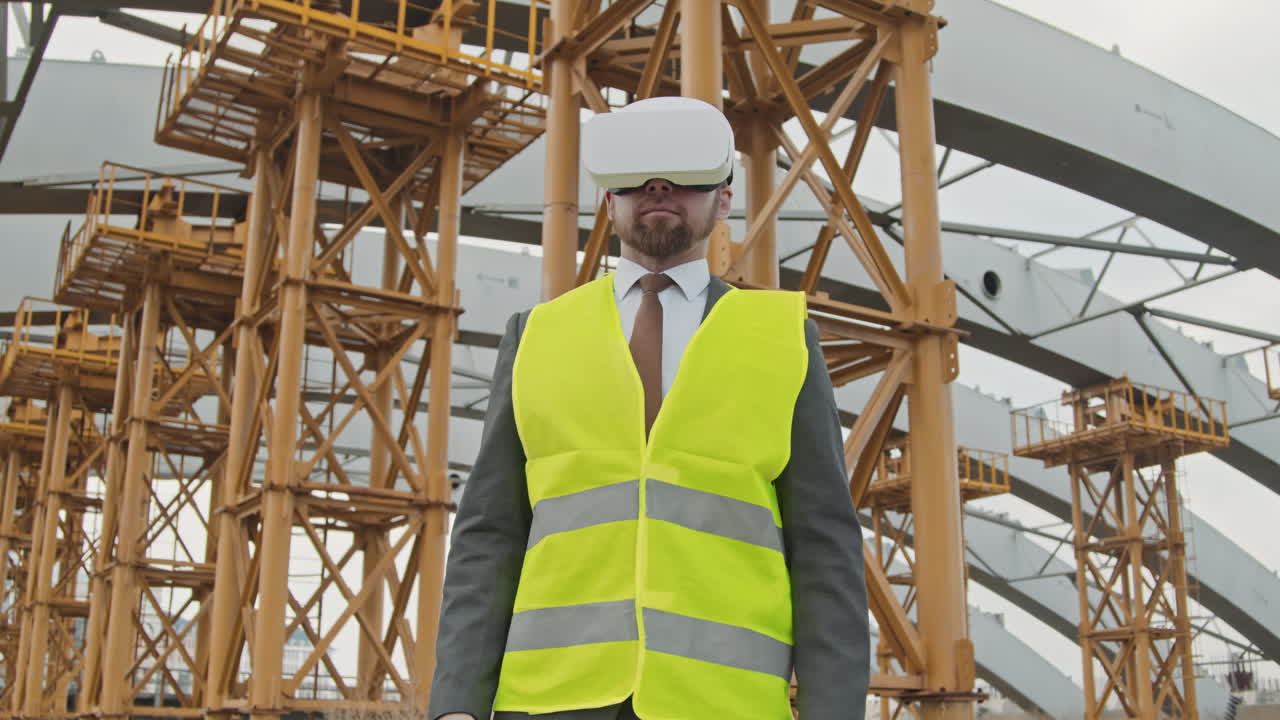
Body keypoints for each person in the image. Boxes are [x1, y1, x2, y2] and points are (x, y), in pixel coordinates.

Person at [429, 96, 868, 720]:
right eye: (636, 178)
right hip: (552, 700)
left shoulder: (782, 336)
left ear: (724, 199)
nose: (659, 189)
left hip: (722, 706)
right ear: (608, 200)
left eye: (684, 177)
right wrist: (456, 704)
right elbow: (490, 532)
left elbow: (824, 543)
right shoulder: (536, 336)